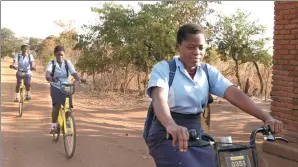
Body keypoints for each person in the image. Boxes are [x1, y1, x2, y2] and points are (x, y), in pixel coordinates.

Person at [144, 23, 283, 167]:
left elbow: (234, 94)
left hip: (196, 134)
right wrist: (171, 125)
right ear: (179, 46)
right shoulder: (164, 69)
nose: (197, 52)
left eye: (201, 47)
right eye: (191, 47)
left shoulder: (207, 71)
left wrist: (266, 117)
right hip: (167, 134)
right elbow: (159, 99)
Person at [45, 45, 84, 134]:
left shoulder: (67, 63)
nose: (60, 56)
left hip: (66, 85)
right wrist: (49, 77)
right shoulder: (51, 63)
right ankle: (54, 126)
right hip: (55, 85)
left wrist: (78, 79)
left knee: (68, 107)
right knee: (56, 106)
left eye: (62, 55)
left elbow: (73, 72)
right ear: (55, 54)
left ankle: (67, 124)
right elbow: (48, 72)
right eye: (58, 55)